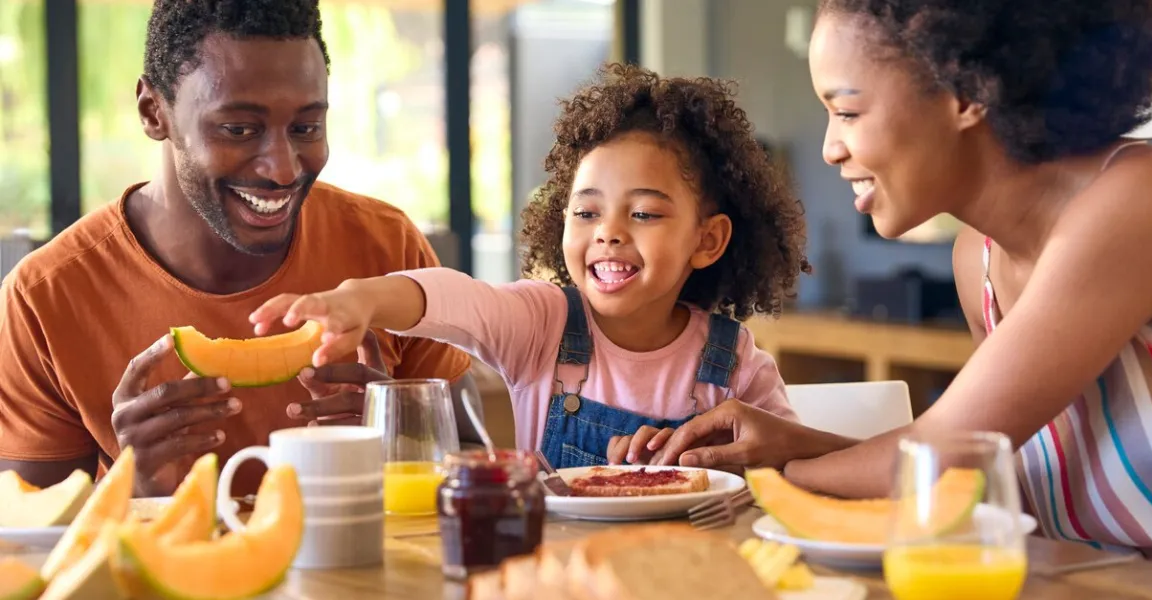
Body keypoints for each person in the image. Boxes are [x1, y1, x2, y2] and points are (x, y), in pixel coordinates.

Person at [644, 0, 1152, 568]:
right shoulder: (976, 261)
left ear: (965, 92)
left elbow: (948, 457)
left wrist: (763, 474)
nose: (830, 148)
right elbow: (976, 463)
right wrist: (797, 446)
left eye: (848, 112)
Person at [0, 0, 481, 498]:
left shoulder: (389, 246)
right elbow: (27, 545)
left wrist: (398, 442)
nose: (283, 169)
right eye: (238, 129)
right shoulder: (44, 297)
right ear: (153, 111)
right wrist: (137, 490)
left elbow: (476, 460)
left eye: (305, 128)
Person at [247, 64, 811, 469]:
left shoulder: (732, 360)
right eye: (586, 211)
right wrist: (363, 299)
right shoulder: (542, 323)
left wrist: (729, 467)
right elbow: (454, 298)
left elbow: (791, 464)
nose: (608, 231)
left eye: (642, 212)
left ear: (707, 240)